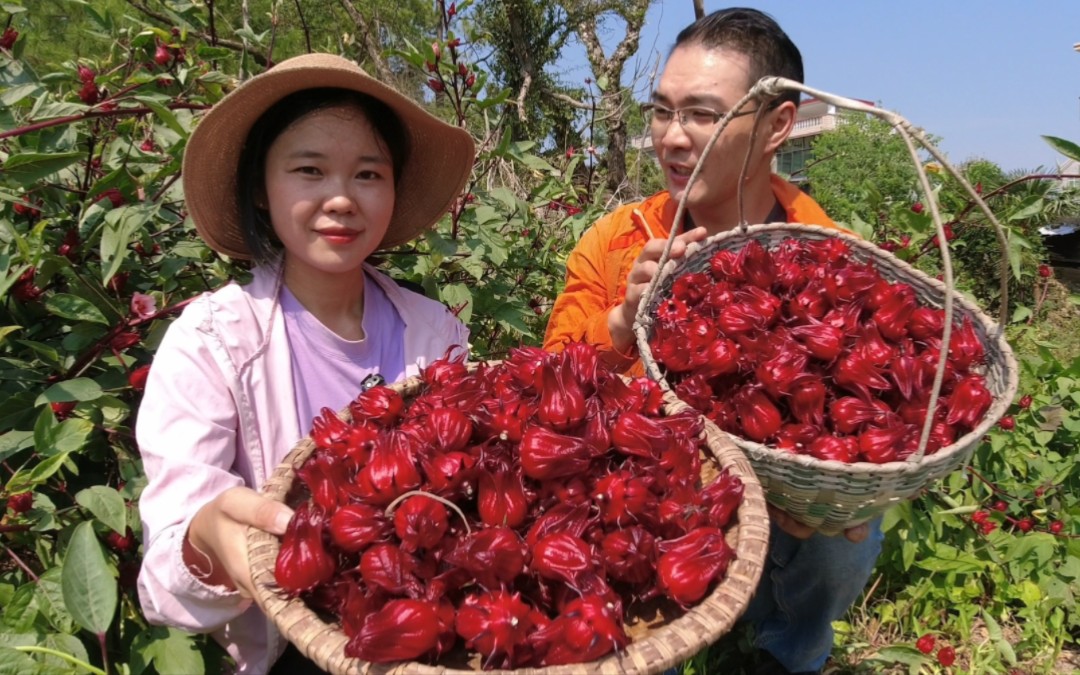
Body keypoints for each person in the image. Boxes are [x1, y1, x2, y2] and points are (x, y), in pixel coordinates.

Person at [543, 8, 883, 675]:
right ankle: (646, 648)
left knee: (848, 529)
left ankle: (789, 650)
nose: (672, 137)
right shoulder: (618, 241)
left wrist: (849, 487)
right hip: (643, 503)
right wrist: (622, 321)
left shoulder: (831, 259)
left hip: (779, 507)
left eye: (702, 115)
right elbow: (550, 378)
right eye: (662, 111)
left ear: (777, 125)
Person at [136, 53, 475, 674]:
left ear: (394, 188)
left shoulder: (438, 331)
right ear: (262, 192)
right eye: (309, 170)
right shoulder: (213, 342)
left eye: (368, 174)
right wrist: (208, 535)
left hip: (435, 634)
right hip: (296, 652)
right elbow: (162, 582)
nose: (342, 199)